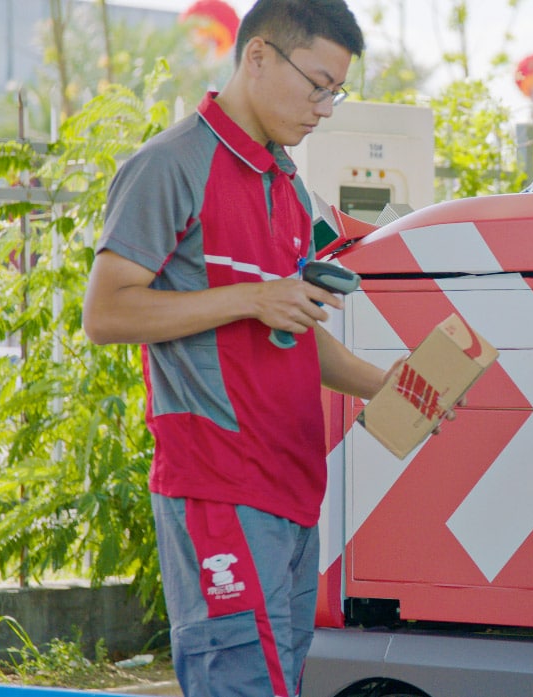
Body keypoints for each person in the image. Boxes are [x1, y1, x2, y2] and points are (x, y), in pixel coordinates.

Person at [82, 1, 406, 694]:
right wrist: (253, 298)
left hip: (292, 491)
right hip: (218, 487)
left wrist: (386, 386)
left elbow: (292, 332)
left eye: (335, 91)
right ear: (257, 56)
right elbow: (105, 312)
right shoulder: (169, 165)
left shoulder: (287, 182)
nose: (325, 107)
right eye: (317, 84)